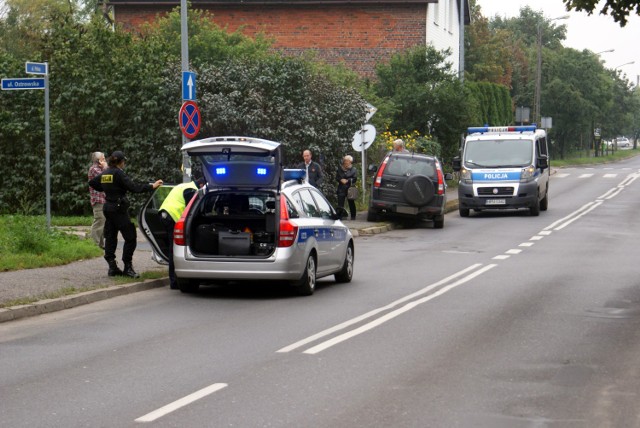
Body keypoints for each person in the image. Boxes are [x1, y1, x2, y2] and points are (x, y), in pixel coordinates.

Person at [89, 150, 163, 278]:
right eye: (124, 161)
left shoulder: (105, 173)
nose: (124, 163)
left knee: (111, 237)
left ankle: (112, 267)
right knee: (130, 237)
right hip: (118, 209)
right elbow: (134, 187)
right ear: (120, 162)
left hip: (108, 207)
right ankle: (128, 267)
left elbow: (93, 183)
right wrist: (151, 186)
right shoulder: (118, 173)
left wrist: (106, 188)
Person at [158, 170, 204, 290]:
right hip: (171, 216)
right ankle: (174, 281)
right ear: (201, 185)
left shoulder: (185, 186)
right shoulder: (191, 190)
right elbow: (191, 212)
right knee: (174, 249)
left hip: (164, 214)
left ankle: (174, 279)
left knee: (172, 247)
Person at [88, 151, 107, 249]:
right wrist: (105, 167)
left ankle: (100, 245)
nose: (105, 159)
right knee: (99, 221)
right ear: (99, 160)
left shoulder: (100, 168)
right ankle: (94, 245)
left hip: (103, 199)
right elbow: (106, 177)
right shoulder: (94, 169)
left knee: (103, 222)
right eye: (103, 158)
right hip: (98, 200)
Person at [336, 155, 358, 220]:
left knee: (351, 202)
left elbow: (355, 178)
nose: (345, 162)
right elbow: (337, 177)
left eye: (347, 161)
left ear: (350, 162)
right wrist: (340, 180)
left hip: (350, 188)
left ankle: (353, 216)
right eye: (345, 161)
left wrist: (347, 181)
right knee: (340, 203)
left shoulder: (353, 170)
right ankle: (340, 216)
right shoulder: (340, 168)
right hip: (341, 188)